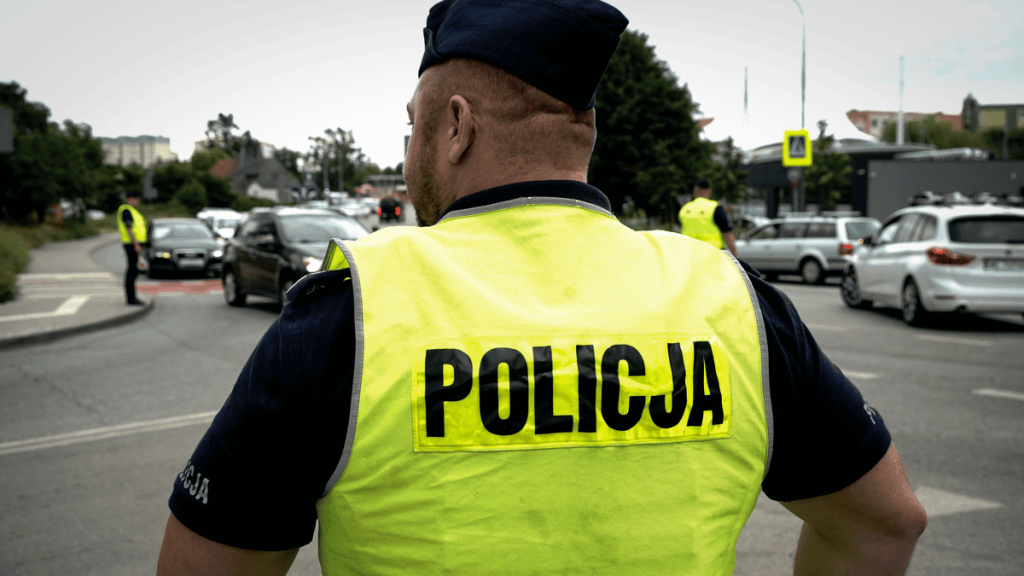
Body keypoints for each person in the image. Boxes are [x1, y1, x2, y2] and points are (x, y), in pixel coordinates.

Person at [156, 1, 926, 574]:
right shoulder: (736, 304)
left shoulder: (350, 314)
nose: (410, 147)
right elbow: (885, 524)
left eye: (414, 125)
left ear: (455, 127)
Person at [679, 177, 738, 255]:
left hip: (690, 254)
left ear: (695, 191)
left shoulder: (685, 209)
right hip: (712, 254)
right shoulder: (715, 208)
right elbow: (727, 233)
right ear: (710, 191)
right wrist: (735, 254)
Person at [116, 190, 147, 305]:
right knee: (132, 271)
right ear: (130, 199)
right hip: (131, 245)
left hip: (133, 244)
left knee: (134, 270)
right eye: (136, 199)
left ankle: (132, 297)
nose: (138, 201)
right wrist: (136, 244)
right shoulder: (126, 210)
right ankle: (131, 298)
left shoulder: (132, 211)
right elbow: (129, 228)